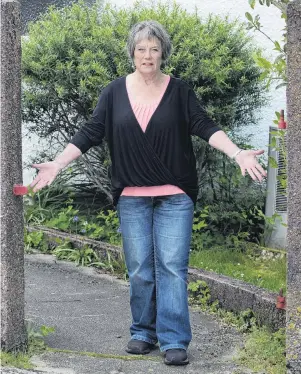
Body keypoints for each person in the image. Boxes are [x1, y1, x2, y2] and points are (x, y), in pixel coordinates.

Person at [31, 20, 266, 366]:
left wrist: (237, 153)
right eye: (141, 49)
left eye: (154, 49)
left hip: (175, 193)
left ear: (163, 54)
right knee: (140, 266)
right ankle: (143, 331)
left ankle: (174, 339)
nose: (148, 55)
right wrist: (57, 165)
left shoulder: (180, 91)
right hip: (131, 195)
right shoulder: (113, 92)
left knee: (171, 265)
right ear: (132, 53)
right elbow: (91, 131)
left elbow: (204, 126)